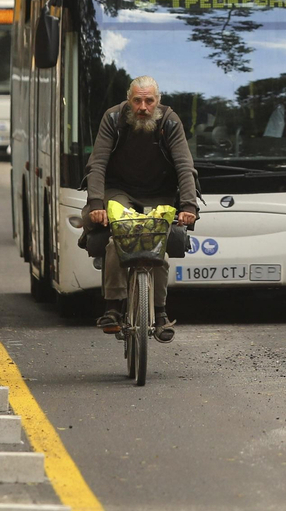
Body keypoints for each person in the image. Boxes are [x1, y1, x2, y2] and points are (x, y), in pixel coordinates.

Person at [83, 76, 199, 340]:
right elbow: (97, 163)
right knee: (117, 240)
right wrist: (96, 205)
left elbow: (184, 165)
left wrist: (189, 206)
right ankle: (113, 307)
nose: (143, 107)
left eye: (149, 100)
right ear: (129, 100)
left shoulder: (169, 120)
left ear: (157, 100)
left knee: (157, 244)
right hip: (119, 190)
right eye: (137, 100)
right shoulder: (113, 118)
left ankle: (159, 314)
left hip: (159, 192)